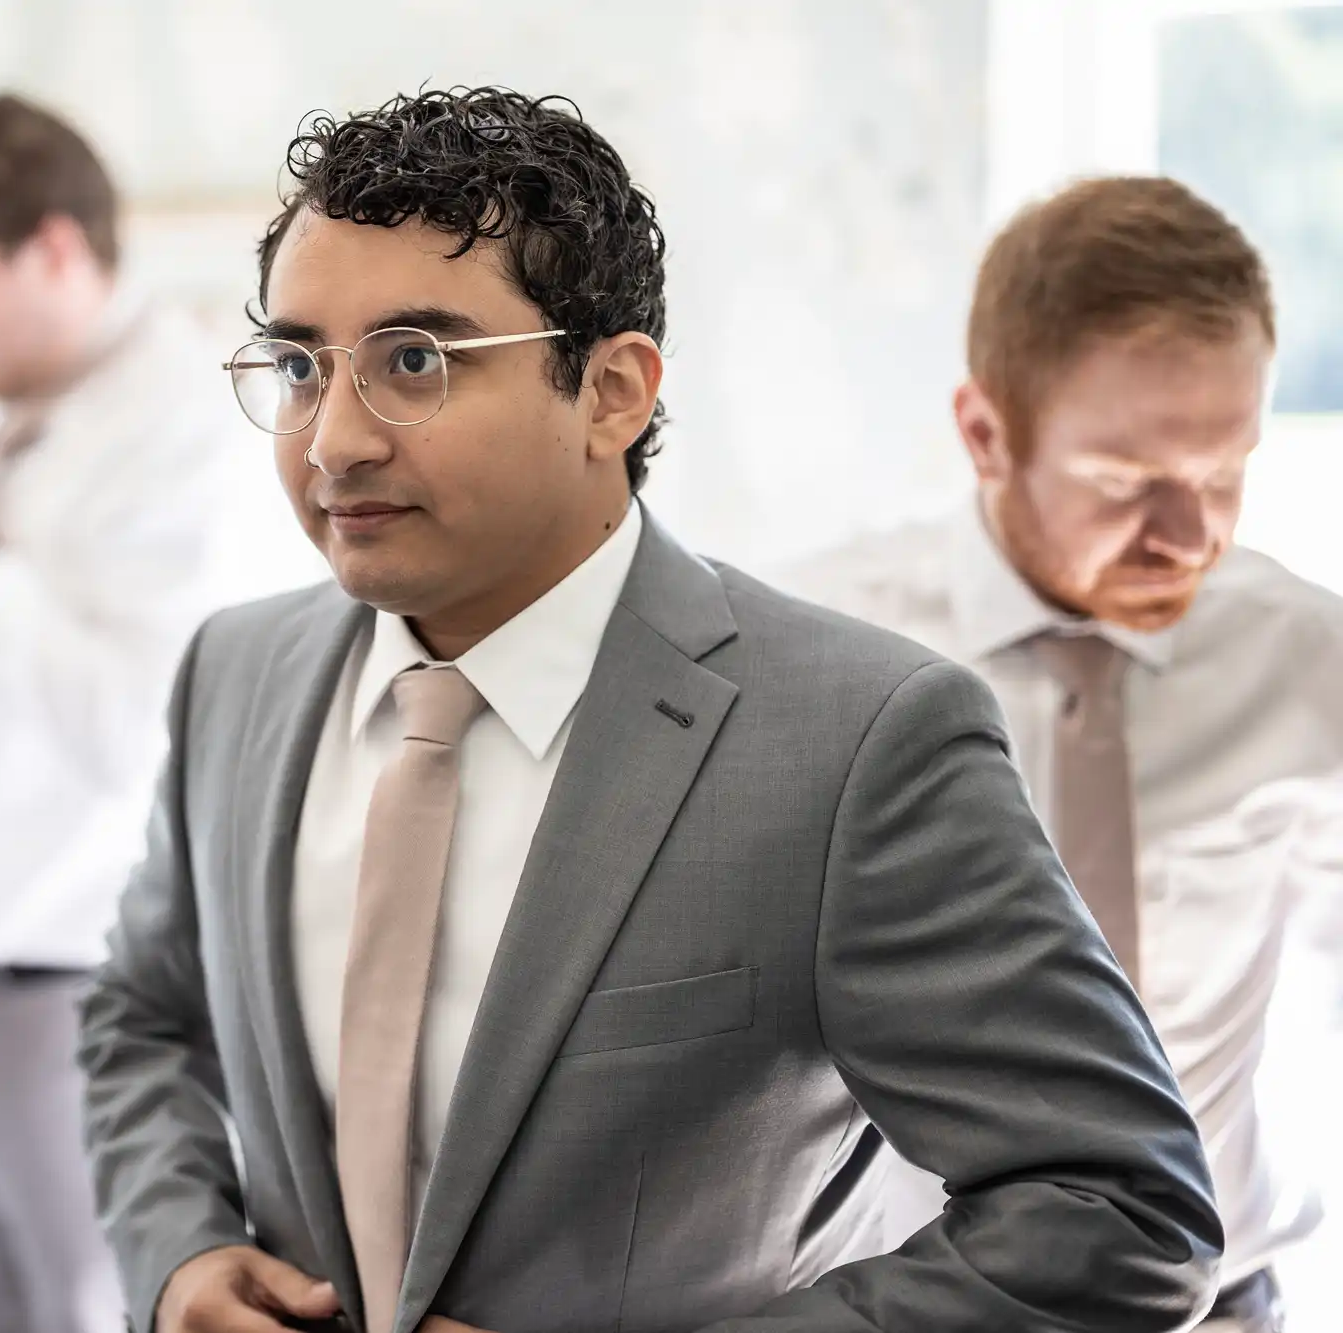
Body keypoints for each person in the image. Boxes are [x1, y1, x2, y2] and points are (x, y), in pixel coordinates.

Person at [78, 86, 1222, 1333]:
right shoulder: (231, 676)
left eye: (414, 362)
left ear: (612, 391)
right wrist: (181, 1248)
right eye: (300, 365)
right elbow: (142, 1017)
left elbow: (1116, 1213)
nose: (333, 440)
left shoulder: (861, 739)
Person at [776, 175, 1343, 1333]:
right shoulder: (817, 659)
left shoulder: (1307, 660)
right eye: (1126, 485)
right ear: (984, 434)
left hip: (1227, 1303)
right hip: (924, 1308)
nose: (1188, 535)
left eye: (1222, 473)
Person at [0, 93, 243, 1333]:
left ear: (56, 251)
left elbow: (137, 731)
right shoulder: (38, 429)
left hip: (85, 994)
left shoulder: (182, 429)